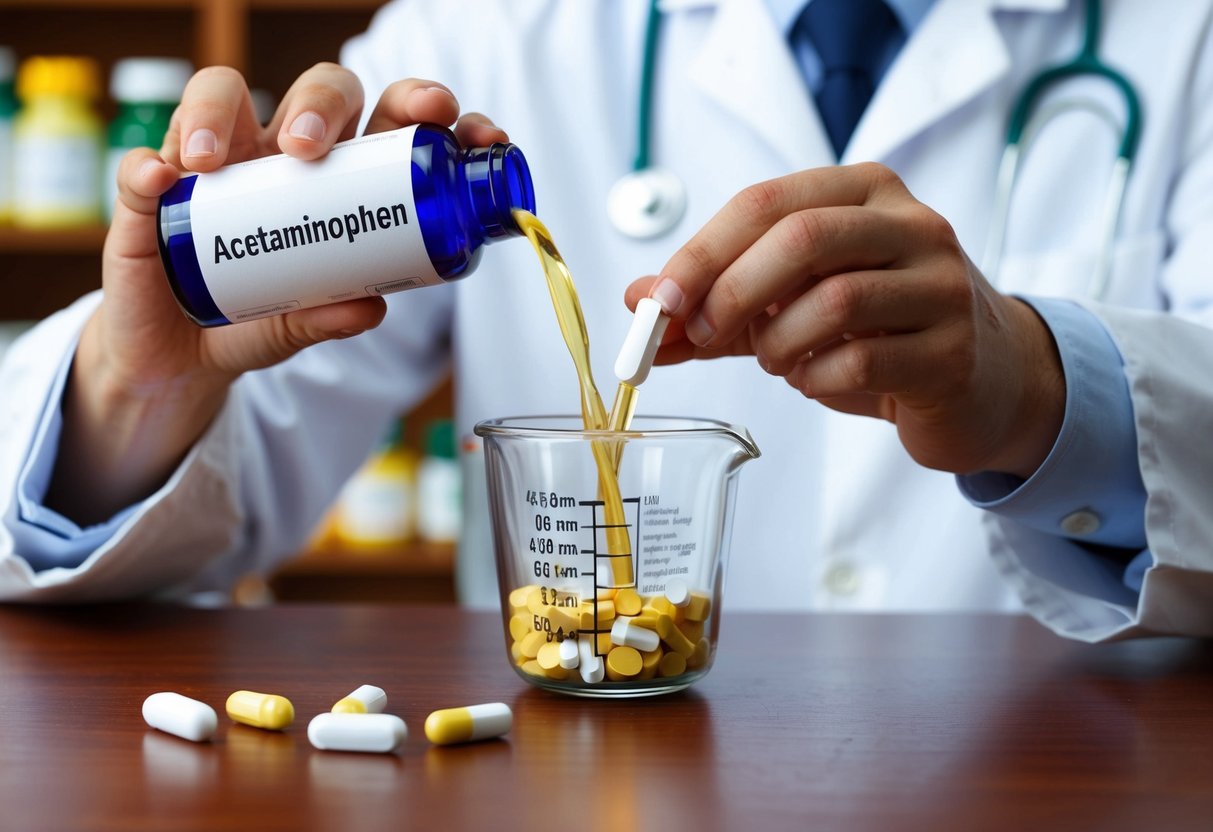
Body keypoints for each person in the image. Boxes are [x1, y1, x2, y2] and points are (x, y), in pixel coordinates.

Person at [1, 0, 1211, 643]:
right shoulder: (486, 31)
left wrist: (1044, 392)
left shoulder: (1184, 33)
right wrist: (133, 384)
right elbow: (226, 485)